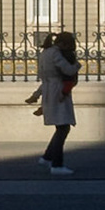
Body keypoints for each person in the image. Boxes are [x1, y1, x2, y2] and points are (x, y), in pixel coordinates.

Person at [36, 30, 80, 174]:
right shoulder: (56, 53)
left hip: (49, 90)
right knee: (63, 127)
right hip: (58, 91)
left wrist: (37, 94)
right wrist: (77, 66)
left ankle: (47, 157)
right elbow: (67, 70)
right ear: (63, 43)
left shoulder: (45, 52)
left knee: (61, 127)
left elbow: (43, 76)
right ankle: (57, 164)